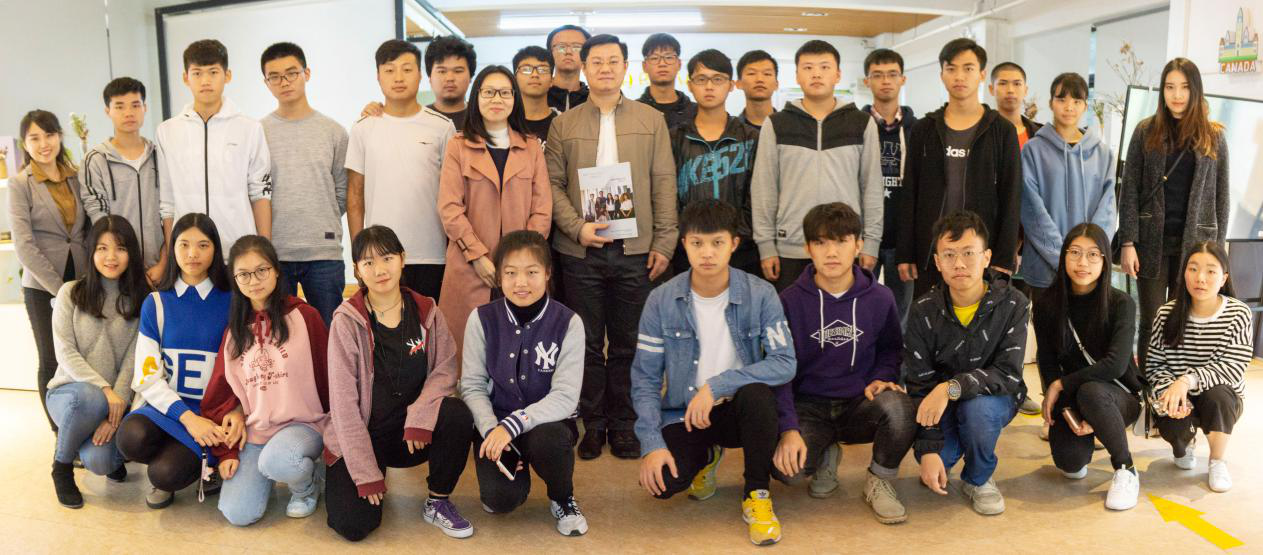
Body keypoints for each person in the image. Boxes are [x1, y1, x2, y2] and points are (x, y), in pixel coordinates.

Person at [631, 199, 795, 546]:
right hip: (684, 412)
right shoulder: (661, 300)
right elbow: (645, 379)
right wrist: (651, 444)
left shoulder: (761, 294)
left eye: (717, 242)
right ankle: (707, 455)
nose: (707, 253)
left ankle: (757, 494)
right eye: (697, 243)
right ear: (684, 244)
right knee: (663, 483)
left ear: (734, 244)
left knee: (757, 394)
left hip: (739, 410)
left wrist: (718, 385)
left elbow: (785, 362)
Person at [545, 34, 678, 460]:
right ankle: (594, 423)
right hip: (580, 250)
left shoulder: (651, 119)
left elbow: (664, 182)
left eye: (613, 61)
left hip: (635, 249)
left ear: (625, 68)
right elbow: (552, 185)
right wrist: (576, 228)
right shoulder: (563, 124)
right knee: (585, 344)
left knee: (628, 343)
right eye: (597, 61)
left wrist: (665, 241)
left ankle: (624, 423)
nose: (605, 68)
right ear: (584, 68)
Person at [322, 225, 476, 541]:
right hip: (365, 435)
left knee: (457, 414)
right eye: (368, 262)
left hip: (412, 434)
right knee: (353, 525)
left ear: (402, 259)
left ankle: (438, 501)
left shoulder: (426, 310)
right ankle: (344, 473)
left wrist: (420, 416)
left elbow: (445, 369)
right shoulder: (346, 322)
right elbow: (343, 406)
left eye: (387, 258)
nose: (380, 270)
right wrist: (366, 473)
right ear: (357, 270)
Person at [769, 202, 913, 524]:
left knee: (900, 408)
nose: (831, 252)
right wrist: (789, 427)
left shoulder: (881, 297)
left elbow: (891, 350)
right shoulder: (788, 301)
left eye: (841, 241)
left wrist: (882, 376)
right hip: (809, 406)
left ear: (858, 245)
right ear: (808, 248)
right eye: (821, 242)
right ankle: (825, 451)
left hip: (859, 402)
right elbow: (779, 370)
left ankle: (879, 480)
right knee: (786, 472)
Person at [460, 230, 588, 536]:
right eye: (510, 273)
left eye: (531, 272)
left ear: (547, 273)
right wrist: (492, 430)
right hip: (496, 424)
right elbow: (472, 385)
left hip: (546, 425)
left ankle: (563, 498)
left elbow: (566, 396)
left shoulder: (569, 323)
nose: (521, 283)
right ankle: (512, 474)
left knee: (550, 441)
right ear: (499, 276)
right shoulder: (481, 319)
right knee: (500, 500)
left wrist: (514, 425)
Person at [904, 211, 1028, 516]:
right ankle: (954, 443)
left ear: (987, 257)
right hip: (942, 404)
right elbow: (919, 385)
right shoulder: (922, 311)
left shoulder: (1014, 304)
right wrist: (928, 449)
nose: (959, 264)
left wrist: (951, 387)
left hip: (992, 398)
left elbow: (1008, 374)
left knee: (978, 412)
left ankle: (978, 478)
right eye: (949, 255)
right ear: (937, 262)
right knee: (939, 459)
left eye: (969, 253)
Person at [201, 235, 330, 525]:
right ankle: (271, 470)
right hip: (258, 432)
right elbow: (222, 394)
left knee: (279, 460)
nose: (254, 281)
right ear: (235, 280)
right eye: (244, 274)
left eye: (261, 270)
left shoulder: (305, 316)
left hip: (305, 425)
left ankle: (305, 487)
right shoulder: (235, 332)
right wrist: (228, 450)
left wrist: (335, 434)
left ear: (276, 271)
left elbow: (329, 376)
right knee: (237, 513)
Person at [116, 213, 232, 510]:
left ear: (216, 250)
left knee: (165, 474)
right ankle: (186, 453)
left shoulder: (232, 300)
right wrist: (187, 418)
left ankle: (199, 463)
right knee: (130, 439)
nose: (193, 254)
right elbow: (147, 377)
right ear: (173, 249)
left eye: (203, 245)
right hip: (168, 409)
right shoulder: (156, 302)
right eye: (184, 245)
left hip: (211, 415)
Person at [1118, 57, 1229, 365]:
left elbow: (1222, 196)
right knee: (1151, 319)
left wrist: (1217, 252)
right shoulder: (1146, 131)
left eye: (1184, 87)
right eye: (1169, 87)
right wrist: (1127, 242)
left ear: (1195, 90)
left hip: (1195, 245)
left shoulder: (1213, 136)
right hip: (1151, 242)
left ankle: (1179, 380)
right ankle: (1148, 382)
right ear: (1162, 91)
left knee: (1186, 318)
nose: (1177, 95)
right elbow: (1129, 189)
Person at [437, 65, 552, 357]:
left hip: (521, 270)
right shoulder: (458, 146)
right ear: (476, 97)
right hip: (470, 265)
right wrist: (478, 257)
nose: (496, 99)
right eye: (488, 92)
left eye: (504, 92)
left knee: (521, 352)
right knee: (467, 352)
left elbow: (542, 210)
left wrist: (518, 261)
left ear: (514, 99)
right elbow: (450, 208)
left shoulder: (531, 147)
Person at [752, 40, 883, 292]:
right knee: (791, 316)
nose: (816, 74)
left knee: (843, 316)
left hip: (845, 245)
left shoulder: (861, 123)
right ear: (797, 76)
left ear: (838, 75)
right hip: (790, 247)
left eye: (824, 67)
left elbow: (872, 187)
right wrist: (766, 245)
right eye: (808, 67)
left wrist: (871, 242)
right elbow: (764, 188)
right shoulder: (776, 124)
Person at [897, 38, 1021, 299]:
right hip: (933, 253)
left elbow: (1011, 196)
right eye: (951, 68)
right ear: (942, 74)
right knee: (930, 318)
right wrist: (906, 252)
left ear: (982, 74)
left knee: (980, 321)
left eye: (968, 68)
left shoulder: (1002, 131)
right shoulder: (924, 129)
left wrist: (1004, 256)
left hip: (982, 255)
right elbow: (910, 192)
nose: (959, 76)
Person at [1033, 223, 1143, 511]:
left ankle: (1126, 468)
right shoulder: (1046, 304)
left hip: (1119, 396)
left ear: (1105, 260)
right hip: (1076, 397)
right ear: (1064, 257)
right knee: (1070, 464)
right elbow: (1047, 361)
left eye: (1093, 254)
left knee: (1092, 392)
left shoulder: (1121, 303)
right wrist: (1063, 406)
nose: (1083, 262)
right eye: (1075, 253)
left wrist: (1061, 385)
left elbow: (1115, 365)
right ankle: (1093, 430)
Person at [46, 216, 151, 508]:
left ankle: (95, 446)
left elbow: (134, 361)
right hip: (68, 395)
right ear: (91, 252)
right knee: (89, 397)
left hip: (113, 402)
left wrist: (114, 411)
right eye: (102, 248)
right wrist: (104, 390)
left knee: (100, 461)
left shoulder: (143, 301)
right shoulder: (70, 293)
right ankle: (61, 467)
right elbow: (64, 352)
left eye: (120, 248)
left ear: (131, 253)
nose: (111, 257)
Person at [346, 40, 457, 301]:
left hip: (432, 254)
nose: (398, 78)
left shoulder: (442, 127)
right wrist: (359, 253)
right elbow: (355, 195)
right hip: (378, 255)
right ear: (378, 76)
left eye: (407, 69)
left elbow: (455, 194)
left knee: (428, 322)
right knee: (382, 323)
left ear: (420, 75)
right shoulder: (363, 128)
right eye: (389, 70)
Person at [1145, 241, 1252, 493]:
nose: (1200, 278)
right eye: (1193, 269)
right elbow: (1154, 365)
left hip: (1219, 394)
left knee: (1219, 397)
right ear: (1183, 273)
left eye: (1210, 271)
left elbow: (1233, 366)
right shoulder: (1166, 314)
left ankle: (1217, 461)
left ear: (1224, 278)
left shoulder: (1238, 314)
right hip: (1177, 393)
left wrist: (1187, 381)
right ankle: (1183, 446)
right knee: (1174, 425)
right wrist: (1171, 391)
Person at [258, 42, 349, 326]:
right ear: (266, 82)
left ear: (306, 74)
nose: (284, 82)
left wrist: (321, 218)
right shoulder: (257, 132)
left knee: (330, 334)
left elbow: (343, 191)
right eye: (275, 77)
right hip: (275, 253)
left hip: (324, 253)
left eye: (291, 73)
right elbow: (255, 191)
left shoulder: (333, 131)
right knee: (279, 336)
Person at [11, 109, 89, 432]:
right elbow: (24, 244)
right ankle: (61, 434)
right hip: (43, 287)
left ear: (59, 137)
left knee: (83, 356)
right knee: (51, 358)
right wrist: (60, 289)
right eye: (35, 138)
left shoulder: (75, 176)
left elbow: (85, 231)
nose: (44, 144)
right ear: (24, 144)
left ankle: (85, 425)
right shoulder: (20, 184)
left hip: (82, 281)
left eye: (49, 135)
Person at [157, 39, 272, 256]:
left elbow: (261, 192)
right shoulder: (167, 131)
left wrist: (265, 251)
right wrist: (174, 255)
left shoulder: (250, 128)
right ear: (185, 78)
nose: (205, 81)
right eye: (197, 73)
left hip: (239, 251)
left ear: (227, 75)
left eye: (213, 72)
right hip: (189, 256)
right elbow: (167, 202)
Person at [1019, 72, 1116, 299]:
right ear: (1051, 103)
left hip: (1087, 270)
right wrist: (1063, 257)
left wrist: (1087, 256)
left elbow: (1108, 208)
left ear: (1085, 106)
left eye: (1076, 101)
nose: (1069, 107)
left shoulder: (1102, 153)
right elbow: (1031, 209)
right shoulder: (1033, 150)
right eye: (1061, 99)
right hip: (1044, 268)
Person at [670, 49, 760, 277]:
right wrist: (688, 235)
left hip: (741, 249)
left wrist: (733, 238)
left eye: (718, 79)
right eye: (701, 79)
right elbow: (667, 194)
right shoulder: (675, 138)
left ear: (731, 85)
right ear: (690, 85)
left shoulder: (750, 137)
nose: (709, 87)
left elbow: (757, 195)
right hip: (689, 249)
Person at [80, 77, 167, 285]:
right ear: (107, 111)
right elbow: (100, 221)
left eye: (135, 105)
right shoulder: (96, 160)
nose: (128, 113)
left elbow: (170, 213)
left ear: (145, 108)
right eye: (119, 106)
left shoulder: (160, 155)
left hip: (161, 269)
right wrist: (128, 268)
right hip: (118, 271)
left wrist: (164, 263)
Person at [859, 48, 916, 324]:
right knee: (859, 311)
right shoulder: (855, 127)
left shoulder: (918, 129)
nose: (885, 81)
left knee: (901, 317)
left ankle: (898, 357)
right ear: (866, 81)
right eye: (877, 75)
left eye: (892, 74)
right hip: (862, 239)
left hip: (902, 240)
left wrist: (912, 243)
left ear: (902, 79)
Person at [638, 33, 696, 130]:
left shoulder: (695, 112)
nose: (662, 64)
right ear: (644, 66)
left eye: (669, 57)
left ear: (679, 64)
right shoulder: (634, 111)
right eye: (654, 58)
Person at [424, 35, 477, 130]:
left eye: (458, 71)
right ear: (430, 77)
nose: (450, 78)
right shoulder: (419, 120)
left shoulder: (482, 117)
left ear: (470, 77)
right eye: (442, 71)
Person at [512, 46, 562, 142]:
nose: (535, 75)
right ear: (514, 79)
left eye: (543, 70)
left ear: (552, 80)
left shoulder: (564, 123)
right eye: (526, 69)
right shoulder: (504, 122)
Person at [989, 62, 1042, 148]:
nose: (1010, 90)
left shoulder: (1041, 134)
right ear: (991, 89)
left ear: (1025, 90)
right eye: (1003, 83)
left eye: (1017, 84)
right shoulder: (980, 130)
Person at [547, 25, 591, 111]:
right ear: (550, 53)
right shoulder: (537, 95)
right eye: (561, 47)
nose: (568, 52)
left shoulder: (594, 100)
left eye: (576, 47)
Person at [735, 50, 779, 129]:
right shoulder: (731, 130)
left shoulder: (790, 128)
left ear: (776, 84)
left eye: (767, 74)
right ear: (739, 84)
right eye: (751, 73)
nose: (760, 79)